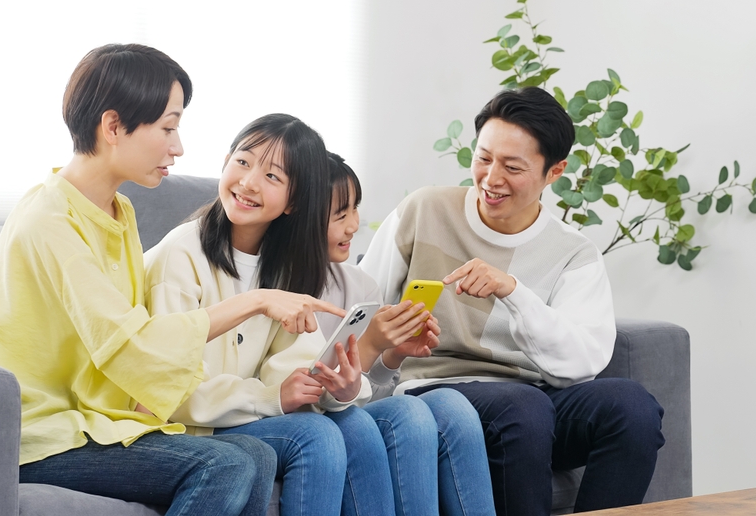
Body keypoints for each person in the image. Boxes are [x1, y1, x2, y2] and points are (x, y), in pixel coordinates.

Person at [0, 44, 283, 515]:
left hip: (95, 421)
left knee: (256, 454)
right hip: (38, 434)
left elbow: (136, 331)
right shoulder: (48, 220)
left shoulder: (120, 210)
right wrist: (254, 301)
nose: (178, 147)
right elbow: (130, 341)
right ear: (114, 127)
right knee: (225, 465)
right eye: (168, 128)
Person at [359, 87, 666, 516]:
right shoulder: (424, 209)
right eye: (483, 158)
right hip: (437, 393)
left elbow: (582, 362)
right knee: (524, 408)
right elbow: (361, 306)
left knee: (633, 407)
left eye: (512, 167)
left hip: (533, 404)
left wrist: (514, 292)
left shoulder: (573, 252)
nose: (491, 178)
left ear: (554, 171)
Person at [143, 114, 395, 516]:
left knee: (356, 425)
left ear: (294, 201)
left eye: (272, 176)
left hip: (228, 418)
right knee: (315, 437)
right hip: (177, 427)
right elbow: (162, 387)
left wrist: (340, 388)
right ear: (225, 161)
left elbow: (299, 367)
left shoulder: (282, 269)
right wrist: (270, 397)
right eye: (242, 161)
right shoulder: (180, 253)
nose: (248, 182)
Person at [317, 152, 497, 516]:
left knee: (453, 407)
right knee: (408, 414)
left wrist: (392, 355)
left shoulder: (360, 286)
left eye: (355, 210)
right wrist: (370, 345)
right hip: (314, 415)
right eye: (341, 215)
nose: (354, 226)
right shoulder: (278, 292)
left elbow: (368, 396)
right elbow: (314, 399)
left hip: (349, 409)